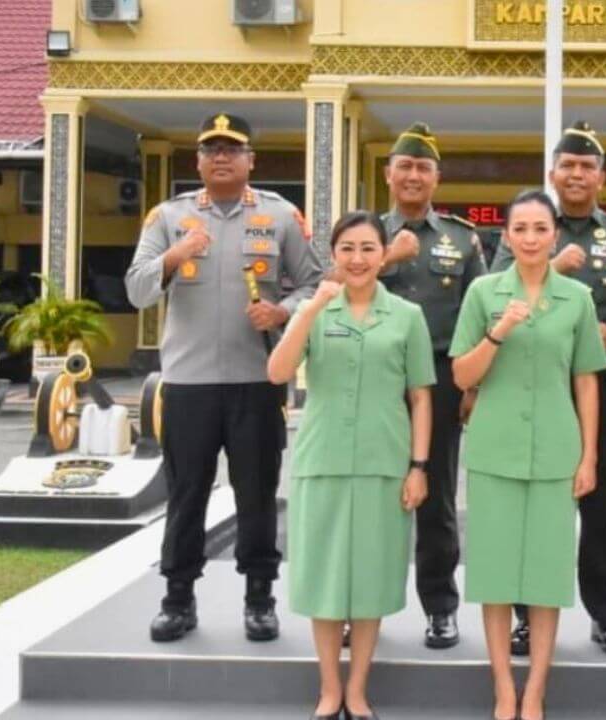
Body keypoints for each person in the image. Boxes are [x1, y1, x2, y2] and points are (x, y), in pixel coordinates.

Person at [125, 113, 321, 643]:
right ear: (198, 161)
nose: (221, 158)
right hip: (188, 385)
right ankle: (178, 598)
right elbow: (137, 290)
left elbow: (314, 285)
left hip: (255, 382)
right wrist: (175, 254)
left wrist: (280, 313)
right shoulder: (169, 216)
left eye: (232, 149)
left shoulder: (280, 217)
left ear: (250, 160)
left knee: (256, 492)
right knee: (186, 493)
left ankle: (260, 597)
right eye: (211, 149)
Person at [490, 121, 606, 657]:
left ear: (602, 177)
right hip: (529, 386)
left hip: (598, 387)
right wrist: (546, 266)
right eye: (568, 165)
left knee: (600, 502)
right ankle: (525, 614)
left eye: (587, 167)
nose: (577, 174)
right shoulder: (527, 231)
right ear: (552, 172)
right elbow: (491, 298)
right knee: (531, 505)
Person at [267, 211, 435, 720]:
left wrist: (418, 466)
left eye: (368, 248)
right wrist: (310, 308)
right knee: (323, 579)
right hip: (323, 462)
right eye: (347, 249)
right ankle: (329, 689)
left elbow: (421, 397)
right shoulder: (318, 308)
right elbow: (276, 371)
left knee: (370, 580)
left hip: (384, 463)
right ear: (333, 256)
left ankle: (358, 689)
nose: (358, 259)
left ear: (384, 255)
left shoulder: (407, 315)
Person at [450, 189, 606, 720]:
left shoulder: (577, 299)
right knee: (495, 578)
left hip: (556, 454)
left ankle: (535, 691)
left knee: (545, 578)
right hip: (495, 450)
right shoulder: (483, 292)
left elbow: (587, 381)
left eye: (541, 229)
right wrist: (500, 331)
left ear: (555, 235)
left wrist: (588, 457)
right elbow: (461, 376)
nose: (531, 238)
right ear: (507, 235)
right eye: (520, 229)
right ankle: (502, 690)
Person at [378, 122, 487, 649]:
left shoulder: (462, 238)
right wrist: (387, 257)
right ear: (388, 174)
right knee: (372, 494)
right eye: (405, 166)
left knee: (437, 497)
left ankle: (440, 607)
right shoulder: (366, 233)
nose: (414, 175)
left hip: (443, 377)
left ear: (436, 178)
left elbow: (479, 311)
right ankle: (360, 604)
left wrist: (473, 387)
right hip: (375, 378)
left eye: (423, 167)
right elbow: (330, 286)